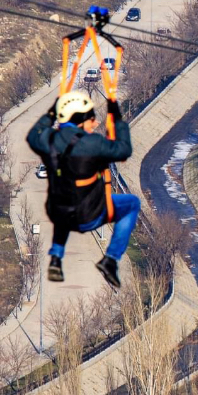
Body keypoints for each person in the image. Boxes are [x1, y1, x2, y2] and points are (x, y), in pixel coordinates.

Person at [26, 91, 139, 289]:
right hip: (89, 216)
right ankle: (111, 259)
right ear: (79, 121)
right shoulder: (93, 143)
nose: (95, 124)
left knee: (65, 198)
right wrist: (117, 119)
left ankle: (56, 256)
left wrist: (51, 114)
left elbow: (32, 136)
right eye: (91, 119)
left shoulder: (49, 140)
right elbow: (124, 150)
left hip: (58, 213)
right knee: (131, 204)